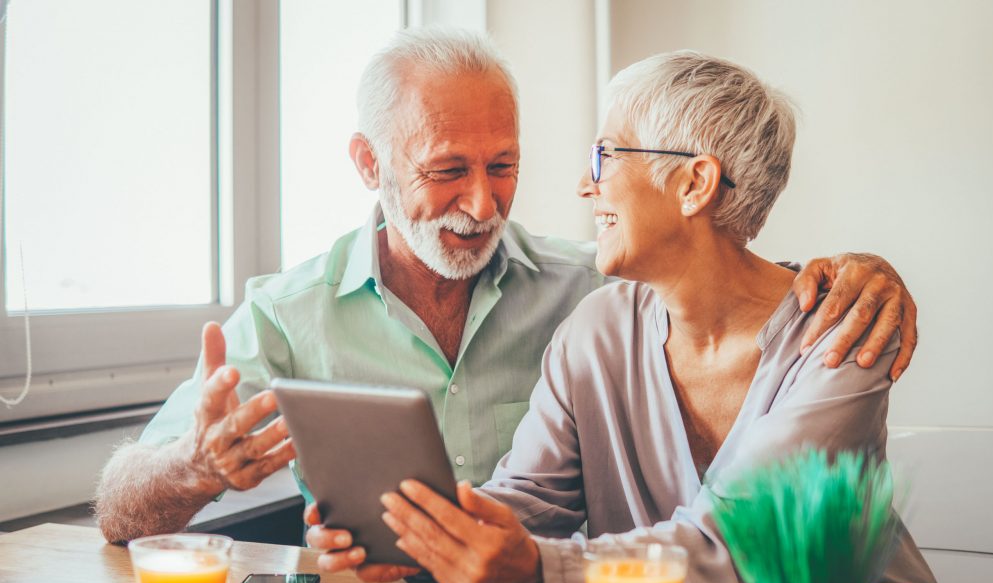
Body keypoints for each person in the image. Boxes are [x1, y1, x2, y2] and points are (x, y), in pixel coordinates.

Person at [95, 28, 918, 547]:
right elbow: (117, 513)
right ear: (370, 165)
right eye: (448, 170)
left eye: (504, 165)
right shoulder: (286, 314)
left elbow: (717, 274)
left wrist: (858, 273)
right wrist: (197, 468)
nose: (484, 204)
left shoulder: (587, 290)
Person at [318, 49, 938, 583]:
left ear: (694, 184)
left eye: (605, 156)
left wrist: (540, 569)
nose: (586, 184)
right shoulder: (596, 328)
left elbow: (742, 543)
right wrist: (421, 538)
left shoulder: (846, 329)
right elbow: (531, 499)